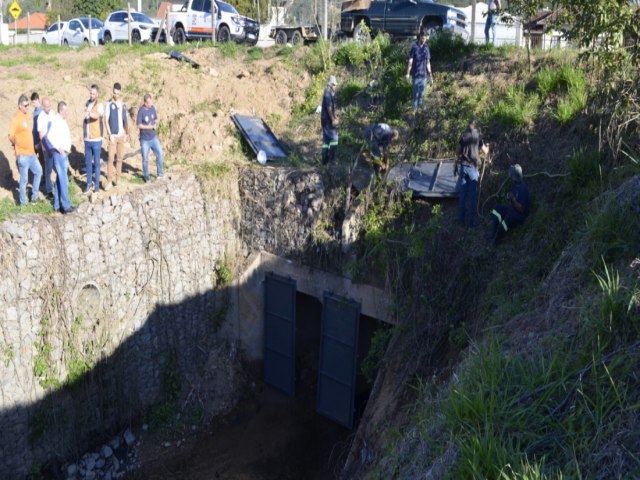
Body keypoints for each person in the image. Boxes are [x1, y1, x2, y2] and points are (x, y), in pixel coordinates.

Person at [8, 94, 42, 206]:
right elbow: (11, 135)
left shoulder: (26, 114)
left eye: (28, 105)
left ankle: (34, 197)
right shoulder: (16, 117)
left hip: (31, 154)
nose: (27, 107)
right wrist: (16, 143)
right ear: (19, 106)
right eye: (25, 105)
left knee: (38, 171)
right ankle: (23, 203)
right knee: (24, 180)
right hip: (22, 155)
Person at [454, 117, 488, 227]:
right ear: (476, 125)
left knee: (463, 195)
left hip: (463, 167)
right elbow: (485, 151)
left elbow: (457, 150)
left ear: (469, 124)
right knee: (472, 196)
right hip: (473, 168)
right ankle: (471, 223)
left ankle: (460, 220)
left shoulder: (464, 136)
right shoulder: (478, 136)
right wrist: (488, 147)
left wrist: (458, 158)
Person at [489, 164, 529, 246]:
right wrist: (509, 197)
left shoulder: (523, 189)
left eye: (512, 175)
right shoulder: (514, 185)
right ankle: (493, 234)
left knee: (508, 217)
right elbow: (512, 197)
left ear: (516, 176)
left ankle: (497, 240)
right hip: (512, 209)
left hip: (519, 215)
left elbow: (522, 210)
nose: (511, 177)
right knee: (496, 209)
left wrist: (513, 200)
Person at [48, 101, 75, 214]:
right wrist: (58, 147)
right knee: (63, 180)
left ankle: (57, 206)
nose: (67, 112)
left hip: (63, 154)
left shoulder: (61, 120)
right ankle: (66, 206)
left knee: (60, 179)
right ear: (60, 110)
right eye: (66, 110)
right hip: (60, 154)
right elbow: (49, 136)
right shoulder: (56, 120)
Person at [103, 82, 129, 190]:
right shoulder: (109, 104)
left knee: (119, 158)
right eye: (114, 93)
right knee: (110, 158)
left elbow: (125, 119)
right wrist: (110, 135)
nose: (116, 95)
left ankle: (118, 179)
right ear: (112, 91)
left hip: (121, 135)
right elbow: (105, 120)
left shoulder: (123, 104)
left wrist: (126, 133)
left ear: (120, 92)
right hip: (113, 136)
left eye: (117, 93)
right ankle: (109, 180)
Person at [136, 93, 164, 182]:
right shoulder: (141, 111)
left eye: (151, 102)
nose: (151, 104)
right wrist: (148, 127)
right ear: (145, 103)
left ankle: (160, 174)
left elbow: (155, 118)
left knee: (159, 153)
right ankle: (146, 176)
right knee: (145, 159)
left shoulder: (152, 108)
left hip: (153, 137)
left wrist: (155, 123)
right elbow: (139, 125)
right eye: (149, 103)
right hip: (145, 140)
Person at [83, 84, 104, 194]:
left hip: (96, 139)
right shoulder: (87, 103)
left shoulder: (99, 104)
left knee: (96, 163)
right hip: (87, 139)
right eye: (91, 93)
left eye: (94, 93)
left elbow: (97, 116)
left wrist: (89, 112)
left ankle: (96, 185)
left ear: (97, 94)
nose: (92, 95)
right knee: (88, 163)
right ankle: (88, 183)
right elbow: (83, 116)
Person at [406, 29, 434, 112]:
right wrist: (407, 74)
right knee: (415, 96)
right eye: (423, 38)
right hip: (416, 76)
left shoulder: (426, 47)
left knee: (421, 96)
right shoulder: (414, 47)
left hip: (424, 76)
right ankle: (413, 114)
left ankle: (419, 115)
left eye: (425, 38)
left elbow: (428, 62)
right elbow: (410, 60)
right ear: (420, 37)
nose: (424, 39)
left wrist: (430, 76)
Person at [37, 97, 55, 199]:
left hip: (54, 146)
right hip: (47, 148)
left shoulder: (52, 113)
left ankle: (57, 186)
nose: (48, 108)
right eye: (46, 106)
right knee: (48, 169)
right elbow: (41, 136)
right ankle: (49, 191)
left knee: (56, 167)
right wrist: (48, 149)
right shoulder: (41, 117)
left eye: (49, 106)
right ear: (43, 106)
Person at [321, 75, 338, 165]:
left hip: (325, 121)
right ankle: (331, 160)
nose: (335, 86)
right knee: (334, 139)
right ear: (331, 84)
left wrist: (335, 116)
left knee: (326, 141)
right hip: (327, 121)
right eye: (334, 85)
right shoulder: (328, 92)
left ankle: (324, 161)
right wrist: (332, 119)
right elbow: (328, 107)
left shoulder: (327, 92)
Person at [31, 92, 44, 169]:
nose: (33, 104)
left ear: (38, 100)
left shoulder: (41, 111)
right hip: (34, 139)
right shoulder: (35, 111)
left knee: (42, 160)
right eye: (32, 102)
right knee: (33, 158)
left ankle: (44, 178)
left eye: (34, 102)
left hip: (40, 140)